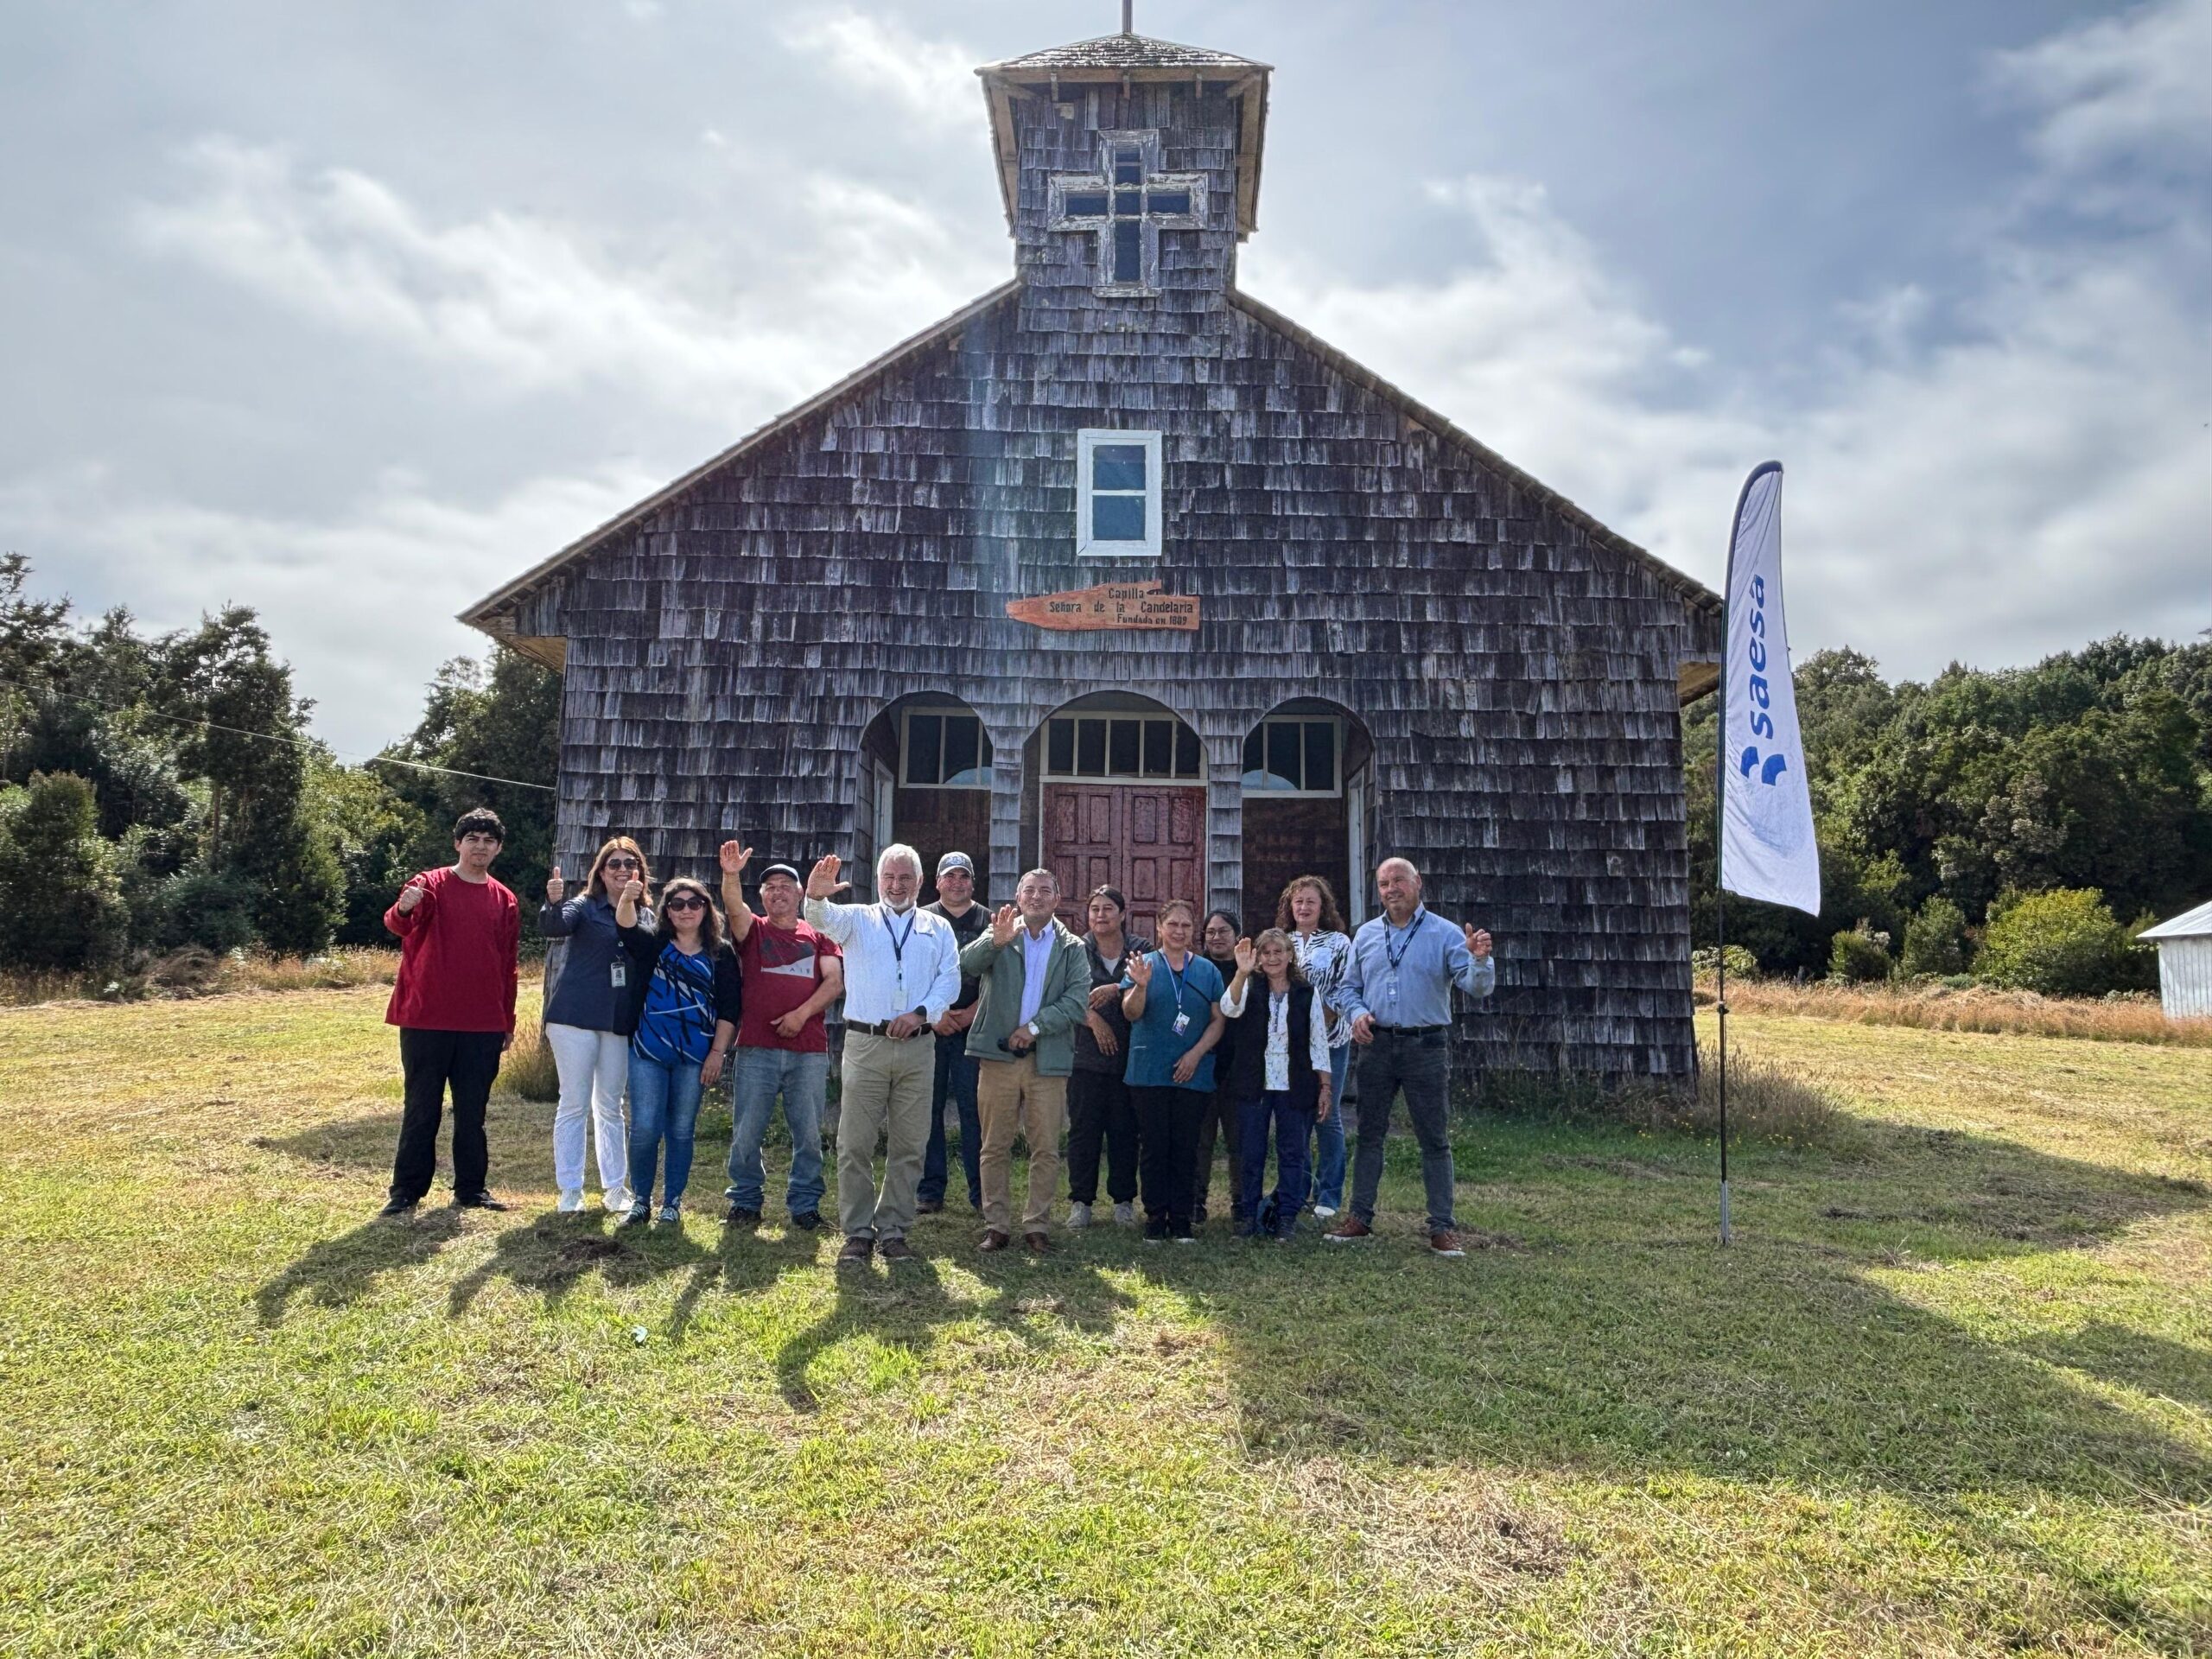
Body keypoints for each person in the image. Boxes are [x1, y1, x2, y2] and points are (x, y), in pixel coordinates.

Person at [1325, 858, 1495, 1258]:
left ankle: (1442, 1228)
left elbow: (1476, 988)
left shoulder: (1445, 934)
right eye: (1384, 883)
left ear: (1418, 883)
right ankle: (1360, 1218)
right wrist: (1357, 1013)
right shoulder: (1365, 935)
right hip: (1377, 1046)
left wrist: (1480, 959)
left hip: (1425, 1046)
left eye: (1399, 880)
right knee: (1369, 1135)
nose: (1391, 888)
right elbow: (1349, 988)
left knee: (1433, 1138)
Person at [804, 845, 963, 1265]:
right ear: (878, 881)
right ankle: (857, 1232)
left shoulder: (937, 928)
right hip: (865, 1044)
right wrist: (815, 896)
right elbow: (819, 919)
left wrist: (921, 1014)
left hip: (918, 1047)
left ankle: (893, 1229)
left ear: (920, 882)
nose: (897, 886)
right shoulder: (856, 919)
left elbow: (950, 980)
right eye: (889, 878)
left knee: (910, 1144)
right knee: (855, 1143)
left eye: (905, 878)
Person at [378, 808, 520, 1218]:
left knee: (472, 1110)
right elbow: (398, 925)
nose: (480, 846)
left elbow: (507, 964)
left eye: (488, 841)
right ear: (458, 843)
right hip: (426, 1017)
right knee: (421, 1107)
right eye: (472, 838)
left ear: (497, 849)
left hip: (482, 1023)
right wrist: (404, 908)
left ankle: (471, 1189)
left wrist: (506, 1022)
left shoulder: (505, 899)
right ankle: (406, 1192)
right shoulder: (430, 884)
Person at [960, 868, 1090, 1253]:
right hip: (998, 1058)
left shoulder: (1072, 947)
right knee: (994, 1145)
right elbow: (966, 965)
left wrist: (1034, 1028)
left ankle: (1037, 1227)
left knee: (1045, 1147)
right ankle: (996, 1225)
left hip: (1046, 1060)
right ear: (1018, 897)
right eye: (1029, 890)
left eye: (1045, 891)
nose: (1036, 897)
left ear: (1057, 899)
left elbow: (1076, 1000)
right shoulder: (1001, 931)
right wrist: (994, 944)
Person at [718, 844, 844, 1231]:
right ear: (763, 896)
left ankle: (805, 1206)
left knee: (807, 1134)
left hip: (807, 1051)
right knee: (746, 1132)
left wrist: (801, 1015)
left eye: (785, 886)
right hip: (757, 1049)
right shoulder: (753, 930)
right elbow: (733, 907)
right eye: (770, 887)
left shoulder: (819, 934)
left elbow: (834, 982)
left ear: (800, 893)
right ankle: (744, 1202)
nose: (778, 892)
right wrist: (731, 875)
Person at [616, 876, 741, 1227]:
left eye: (694, 903)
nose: (686, 910)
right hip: (649, 1051)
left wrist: (718, 1053)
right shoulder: (655, 944)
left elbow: (730, 1009)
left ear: (706, 908)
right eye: (677, 904)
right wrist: (627, 898)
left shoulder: (722, 953)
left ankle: (672, 1203)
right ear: (667, 911)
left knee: (681, 1130)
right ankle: (640, 1200)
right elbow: (626, 930)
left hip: (696, 1058)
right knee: (644, 1128)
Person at [539, 836, 647, 1214]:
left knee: (611, 1106)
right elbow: (554, 927)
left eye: (628, 863)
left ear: (639, 871)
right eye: (613, 863)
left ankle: (615, 1189)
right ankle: (570, 1190)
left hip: (617, 1022)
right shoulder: (584, 906)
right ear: (601, 872)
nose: (621, 869)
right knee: (573, 1103)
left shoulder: (646, 915)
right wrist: (553, 900)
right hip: (574, 1017)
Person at [1120, 899, 1227, 1243]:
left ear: (1192, 930)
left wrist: (1196, 1055)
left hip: (1192, 1072)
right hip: (1149, 1070)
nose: (1179, 931)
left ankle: (1181, 1217)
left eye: (1185, 925)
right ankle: (1155, 1216)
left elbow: (1217, 1021)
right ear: (1159, 928)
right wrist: (1140, 986)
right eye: (1172, 925)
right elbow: (1131, 1014)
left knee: (1186, 1145)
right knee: (1153, 1145)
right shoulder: (1142, 964)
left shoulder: (1207, 971)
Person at [1218, 928, 1333, 1240]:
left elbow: (1318, 1042)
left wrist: (1325, 1087)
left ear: (1289, 955)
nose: (1272, 958)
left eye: (1278, 952)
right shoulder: (1250, 986)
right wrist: (1241, 973)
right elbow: (1229, 1007)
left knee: (1292, 1152)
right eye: (1266, 953)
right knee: (1251, 1151)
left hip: (1295, 1083)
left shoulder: (1306, 992)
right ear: (1258, 956)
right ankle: (1247, 1216)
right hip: (1255, 1082)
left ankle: (1286, 1217)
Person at [1065, 886, 1148, 1230]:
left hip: (1129, 1059)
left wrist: (1116, 987)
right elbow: (1063, 992)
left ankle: (1123, 1202)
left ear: (1122, 914)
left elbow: (1150, 981)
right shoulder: (1075, 950)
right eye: (1095, 909)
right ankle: (1081, 1203)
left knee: (1124, 1132)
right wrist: (1093, 1018)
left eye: (1108, 909)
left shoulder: (1139, 949)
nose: (1101, 915)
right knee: (1084, 1133)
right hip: (1085, 1060)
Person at [1278, 875, 1355, 1222]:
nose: (1304, 907)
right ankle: (1299, 1188)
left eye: (1311, 901)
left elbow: (1346, 985)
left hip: (1331, 1038)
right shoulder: (1282, 941)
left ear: (1322, 906)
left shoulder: (1338, 942)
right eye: (1298, 902)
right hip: (1292, 1045)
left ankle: (1330, 1193)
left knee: (1328, 1116)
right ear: (1290, 907)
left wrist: (1323, 1018)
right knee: (1298, 1116)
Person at [918, 851, 988, 1216]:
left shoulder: (990, 921)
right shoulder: (922, 918)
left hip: (974, 1031)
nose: (957, 882)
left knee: (973, 1112)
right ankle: (930, 1191)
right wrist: (936, 1014)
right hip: (930, 1029)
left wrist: (972, 1012)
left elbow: (1000, 975)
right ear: (938, 882)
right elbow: (912, 972)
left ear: (973, 882)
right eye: (950, 876)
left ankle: (981, 1194)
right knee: (926, 1112)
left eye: (963, 876)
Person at [1192, 908, 1245, 1229]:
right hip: (1203, 1066)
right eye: (1210, 932)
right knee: (1200, 1141)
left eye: (1223, 931)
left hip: (1239, 1069)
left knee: (1240, 1142)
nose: (1216, 937)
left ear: (1237, 935)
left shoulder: (1249, 970)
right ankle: (1196, 1202)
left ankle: (1242, 1202)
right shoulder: (1195, 968)